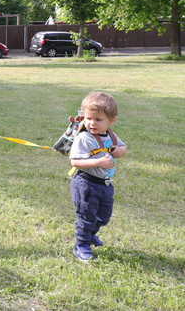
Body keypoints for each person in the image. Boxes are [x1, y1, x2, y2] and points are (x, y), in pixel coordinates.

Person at [69, 92, 127, 262]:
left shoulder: (110, 135)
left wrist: (120, 151)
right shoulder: (84, 138)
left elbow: (123, 147)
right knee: (86, 217)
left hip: (105, 185)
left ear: (111, 120)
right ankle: (82, 244)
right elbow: (75, 162)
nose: (92, 123)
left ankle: (91, 234)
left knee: (103, 217)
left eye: (98, 119)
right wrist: (98, 163)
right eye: (88, 118)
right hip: (86, 184)